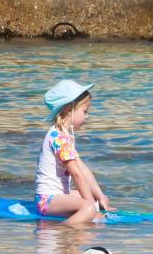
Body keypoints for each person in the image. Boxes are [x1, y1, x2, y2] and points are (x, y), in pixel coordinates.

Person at [34, 79, 113, 225]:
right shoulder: (58, 138)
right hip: (47, 201)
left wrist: (100, 196)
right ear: (68, 109)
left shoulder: (64, 136)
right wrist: (93, 210)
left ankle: (87, 210)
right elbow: (76, 174)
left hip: (59, 196)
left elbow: (82, 169)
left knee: (97, 199)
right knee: (89, 207)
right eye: (85, 111)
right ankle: (62, 230)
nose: (87, 117)